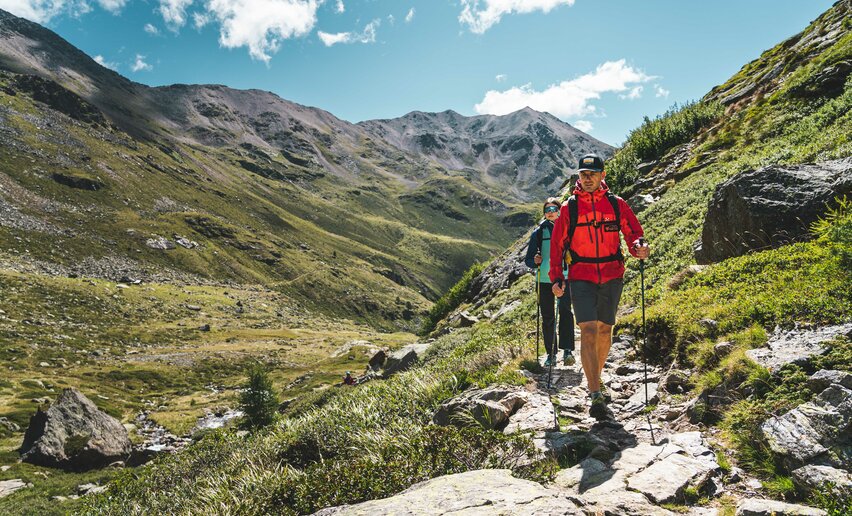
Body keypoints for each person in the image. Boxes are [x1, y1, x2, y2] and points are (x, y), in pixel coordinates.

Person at [549, 153, 650, 419]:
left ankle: (596, 375)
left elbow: (634, 233)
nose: (588, 178)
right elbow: (557, 245)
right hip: (581, 276)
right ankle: (595, 393)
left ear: (602, 175)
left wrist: (639, 247)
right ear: (578, 177)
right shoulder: (569, 208)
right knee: (589, 329)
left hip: (612, 274)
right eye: (583, 174)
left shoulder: (616, 204)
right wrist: (557, 277)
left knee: (605, 330)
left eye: (592, 174)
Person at [524, 197, 576, 367]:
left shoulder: (568, 229)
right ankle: (550, 354)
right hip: (544, 280)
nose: (551, 212)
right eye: (547, 210)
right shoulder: (538, 233)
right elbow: (529, 261)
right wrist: (535, 261)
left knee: (565, 312)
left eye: (554, 209)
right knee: (547, 317)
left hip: (564, 276)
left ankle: (567, 351)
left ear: (560, 211)